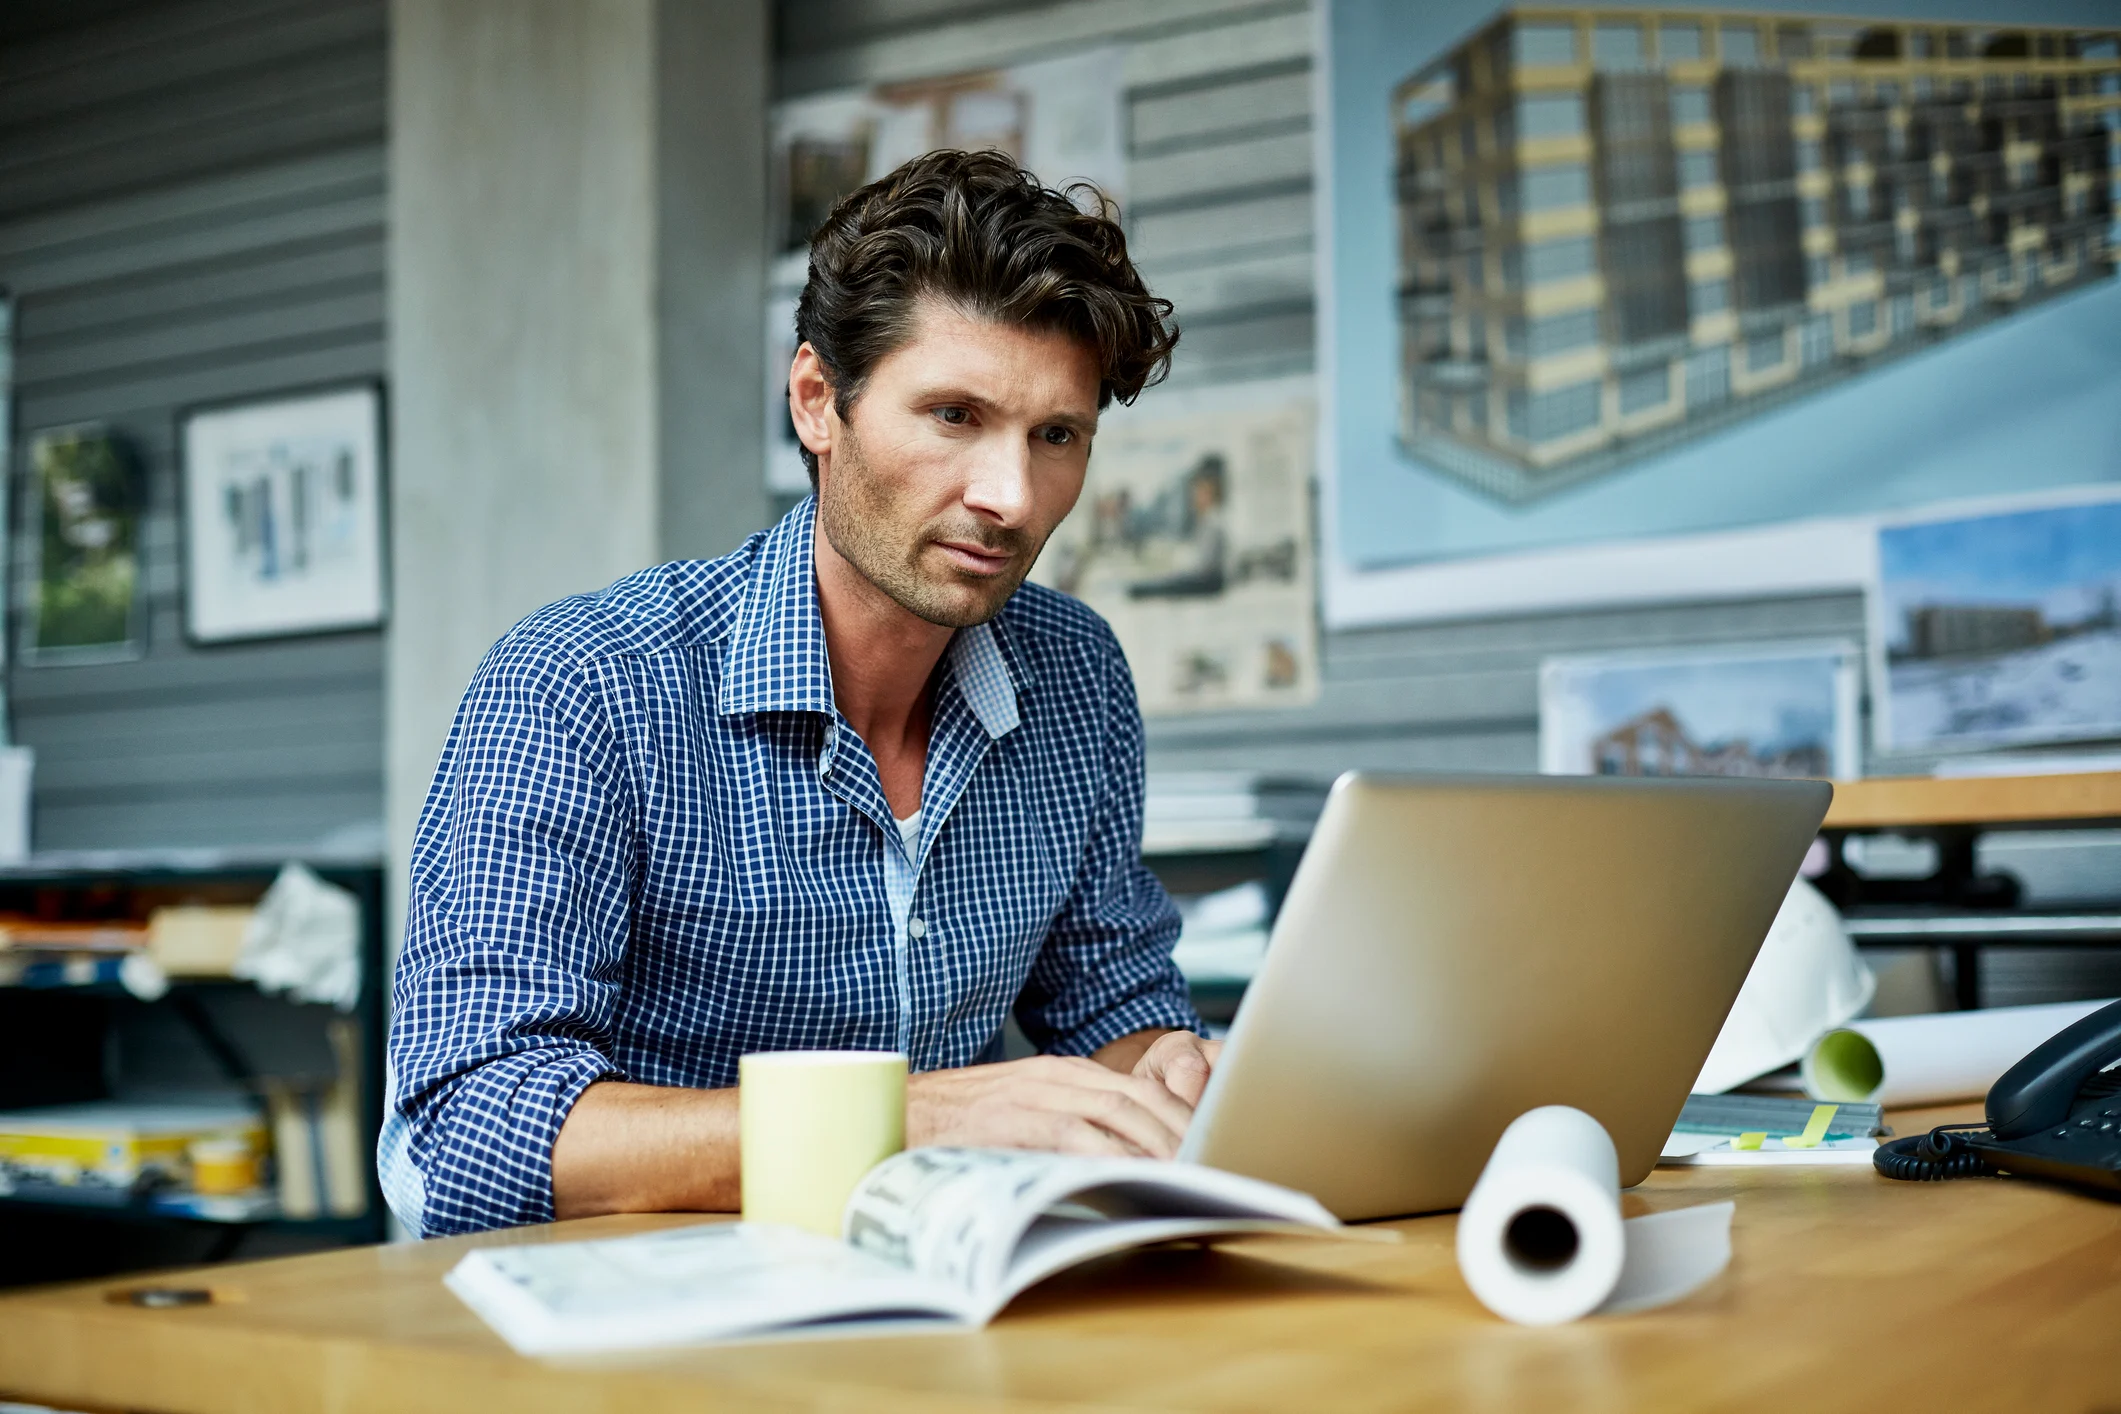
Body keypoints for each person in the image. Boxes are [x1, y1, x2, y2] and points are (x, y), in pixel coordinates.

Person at [381, 149, 1222, 1238]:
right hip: (632, 1344)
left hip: (929, 1315)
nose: (1010, 498)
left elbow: (1112, 1002)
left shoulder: (1076, 678)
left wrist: (1177, 1074)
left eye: (1055, 435)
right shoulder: (584, 685)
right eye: (954, 416)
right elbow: (466, 1133)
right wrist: (910, 1120)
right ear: (819, 401)